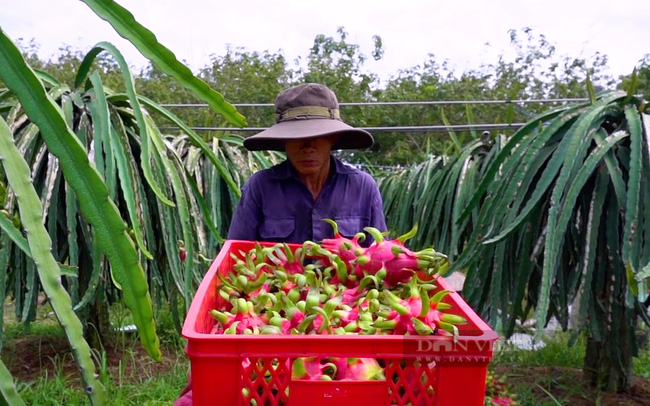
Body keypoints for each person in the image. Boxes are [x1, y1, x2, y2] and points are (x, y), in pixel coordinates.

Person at [174, 82, 386, 406]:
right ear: (284, 142)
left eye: (317, 137)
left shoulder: (363, 187)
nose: (307, 147)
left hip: (350, 320)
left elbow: (378, 264)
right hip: (267, 321)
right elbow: (237, 262)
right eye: (297, 139)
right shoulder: (261, 187)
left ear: (333, 139)